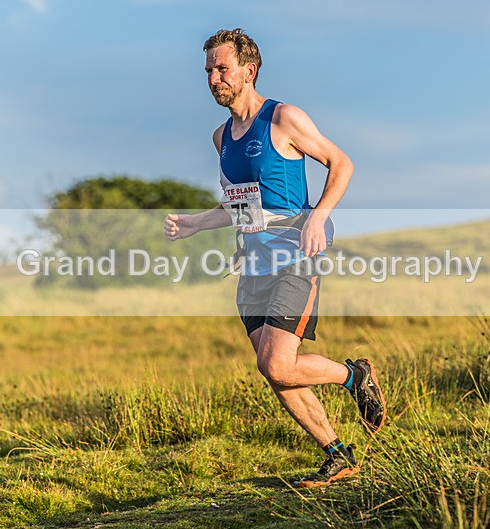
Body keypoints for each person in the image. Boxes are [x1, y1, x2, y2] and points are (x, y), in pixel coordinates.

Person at [164, 28, 386, 488]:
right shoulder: (220, 137)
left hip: (295, 258)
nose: (213, 78)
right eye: (208, 70)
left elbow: (341, 163)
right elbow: (240, 206)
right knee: (275, 371)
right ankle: (338, 454)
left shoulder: (283, 118)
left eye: (222, 68)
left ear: (250, 70)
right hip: (253, 265)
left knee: (276, 363)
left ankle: (354, 374)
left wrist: (318, 215)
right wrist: (194, 224)